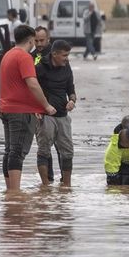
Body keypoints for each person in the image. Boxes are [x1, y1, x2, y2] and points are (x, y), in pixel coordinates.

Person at [0, 24, 56, 191]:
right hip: (20, 112)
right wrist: (45, 105)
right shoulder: (24, 57)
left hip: (6, 109)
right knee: (17, 152)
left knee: (9, 151)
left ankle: (9, 191)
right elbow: (32, 83)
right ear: (30, 40)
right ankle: (15, 193)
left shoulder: (7, 55)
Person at [35, 40, 76, 187]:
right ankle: (45, 186)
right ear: (54, 54)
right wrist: (36, 109)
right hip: (46, 116)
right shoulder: (40, 67)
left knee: (68, 151)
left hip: (63, 115)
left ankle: (67, 185)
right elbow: (31, 89)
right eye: (64, 55)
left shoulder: (67, 66)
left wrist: (72, 100)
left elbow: (71, 89)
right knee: (44, 150)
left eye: (68, 55)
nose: (67, 58)